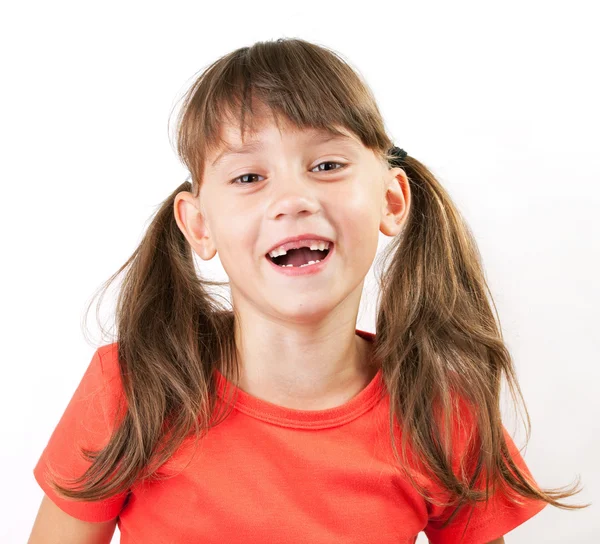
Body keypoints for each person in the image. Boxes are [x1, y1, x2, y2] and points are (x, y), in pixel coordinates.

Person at [29, 37, 588, 544]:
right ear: (199, 226)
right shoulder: (132, 387)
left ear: (391, 201)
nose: (292, 198)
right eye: (249, 177)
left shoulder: (442, 411)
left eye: (326, 164)